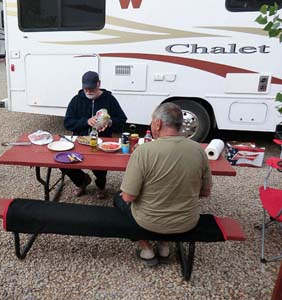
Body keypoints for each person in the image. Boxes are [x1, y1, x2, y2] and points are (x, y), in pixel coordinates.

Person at [115, 102, 212, 266]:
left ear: (158, 123)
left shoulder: (144, 151)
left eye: (152, 121)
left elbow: (128, 196)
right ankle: (164, 246)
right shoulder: (198, 150)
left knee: (118, 200)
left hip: (149, 221)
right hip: (187, 222)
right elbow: (205, 192)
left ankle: (146, 249)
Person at [63, 71, 127, 199]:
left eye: (91, 88)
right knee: (64, 163)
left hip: (102, 142)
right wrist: (85, 121)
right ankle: (82, 181)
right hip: (80, 141)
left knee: (100, 167)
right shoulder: (76, 100)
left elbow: (122, 120)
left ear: (98, 84)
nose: (88, 91)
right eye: (85, 88)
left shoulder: (109, 99)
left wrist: (110, 122)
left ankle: (101, 186)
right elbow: (67, 122)